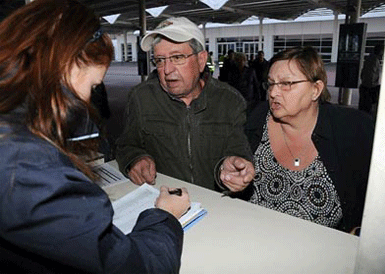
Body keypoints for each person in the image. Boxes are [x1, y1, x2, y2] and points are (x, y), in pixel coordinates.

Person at [0, 1, 190, 273]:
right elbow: (132, 266)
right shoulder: (30, 169)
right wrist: (165, 215)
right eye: (92, 85)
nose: (87, 99)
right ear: (68, 64)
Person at [220, 46, 374, 234]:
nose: (273, 93)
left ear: (316, 89)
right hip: (250, 237)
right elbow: (221, 164)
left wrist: (363, 231)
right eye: (270, 84)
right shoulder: (250, 120)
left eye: (286, 83)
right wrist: (225, 173)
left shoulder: (352, 129)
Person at [116, 17, 254, 191]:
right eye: (159, 60)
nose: (167, 70)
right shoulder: (141, 98)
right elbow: (125, 145)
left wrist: (235, 169)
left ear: (201, 60)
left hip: (216, 203)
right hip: (164, 200)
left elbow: (239, 152)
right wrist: (135, 159)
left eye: (177, 57)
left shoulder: (230, 101)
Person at [359, 44, 384, 118]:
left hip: (364, 86)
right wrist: (374, 86)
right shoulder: (375, 60)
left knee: (363, 108)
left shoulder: (369, 58)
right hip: (369, 88)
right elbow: (371, 75)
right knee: (367, 109)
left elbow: (363, 73)